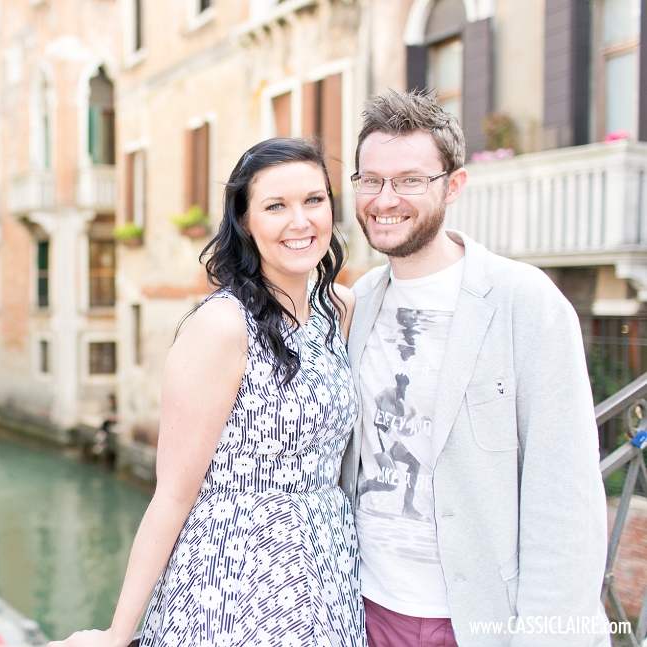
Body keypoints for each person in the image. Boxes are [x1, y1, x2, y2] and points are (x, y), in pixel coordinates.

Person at [50, 138, 366, 647]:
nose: (300, 221)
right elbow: (173, 493)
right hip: (234, 580)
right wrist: (116, 633)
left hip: (329, 573)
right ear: (245, 222)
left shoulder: (340, 312)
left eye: (314, 200)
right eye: (275, 206)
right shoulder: (221, 327)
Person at [341, 90, 609, 646]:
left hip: (482, 620)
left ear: (453, 185)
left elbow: (566, 499)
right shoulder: (356, 303)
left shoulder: (525, 302)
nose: (384, 198)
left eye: (410, 180)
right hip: (362, 611)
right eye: (370, 180)